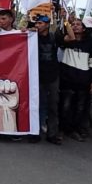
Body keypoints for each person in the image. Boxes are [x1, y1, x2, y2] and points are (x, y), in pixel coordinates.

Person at [58, 16, 92, 142]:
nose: (75, 26)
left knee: (79, 108)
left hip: (83, 81)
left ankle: (74, 130)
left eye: (78, 24)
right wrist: (65, 20)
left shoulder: (91, 43)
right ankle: (61, 129)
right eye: (73, 24)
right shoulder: (67, 40)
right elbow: (62, 35)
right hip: (67, 80)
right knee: (65, 106)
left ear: (84, 28)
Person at [31, 13, 62, 144]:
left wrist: (65, 20)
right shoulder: (32, 37)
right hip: (36, 76)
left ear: (47, 25)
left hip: (53, 76)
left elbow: (71, 38)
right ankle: (35, 131)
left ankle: (52, 134)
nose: (37, 25)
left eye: (40, 23)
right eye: (36, 23)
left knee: (53, 105)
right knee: (36, 104)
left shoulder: (54, 37)